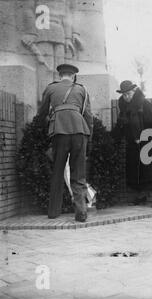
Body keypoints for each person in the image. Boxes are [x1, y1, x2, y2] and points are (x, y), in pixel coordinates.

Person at [36, 64, 93, 222]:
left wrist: (47, 125)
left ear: (60, 75)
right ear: (73, 75)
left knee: (58, 171)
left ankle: (53, 212)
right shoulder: (82, 90)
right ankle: (81, 212)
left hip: (59, 132)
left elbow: (41, 114)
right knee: (78, 174)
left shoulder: (50, 88)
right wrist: (90, 139)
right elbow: (88, 117)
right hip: (80, 132)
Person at [113, 81, 152, 208]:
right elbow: (121, 126)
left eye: (129, 94)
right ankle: (141, 197)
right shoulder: (123, 109)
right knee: (136, 173)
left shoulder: (144, 104)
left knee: (151, 173)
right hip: (133, 145)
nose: (127, 97)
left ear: (134, 92)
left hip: (149, 142)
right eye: (124, 95)